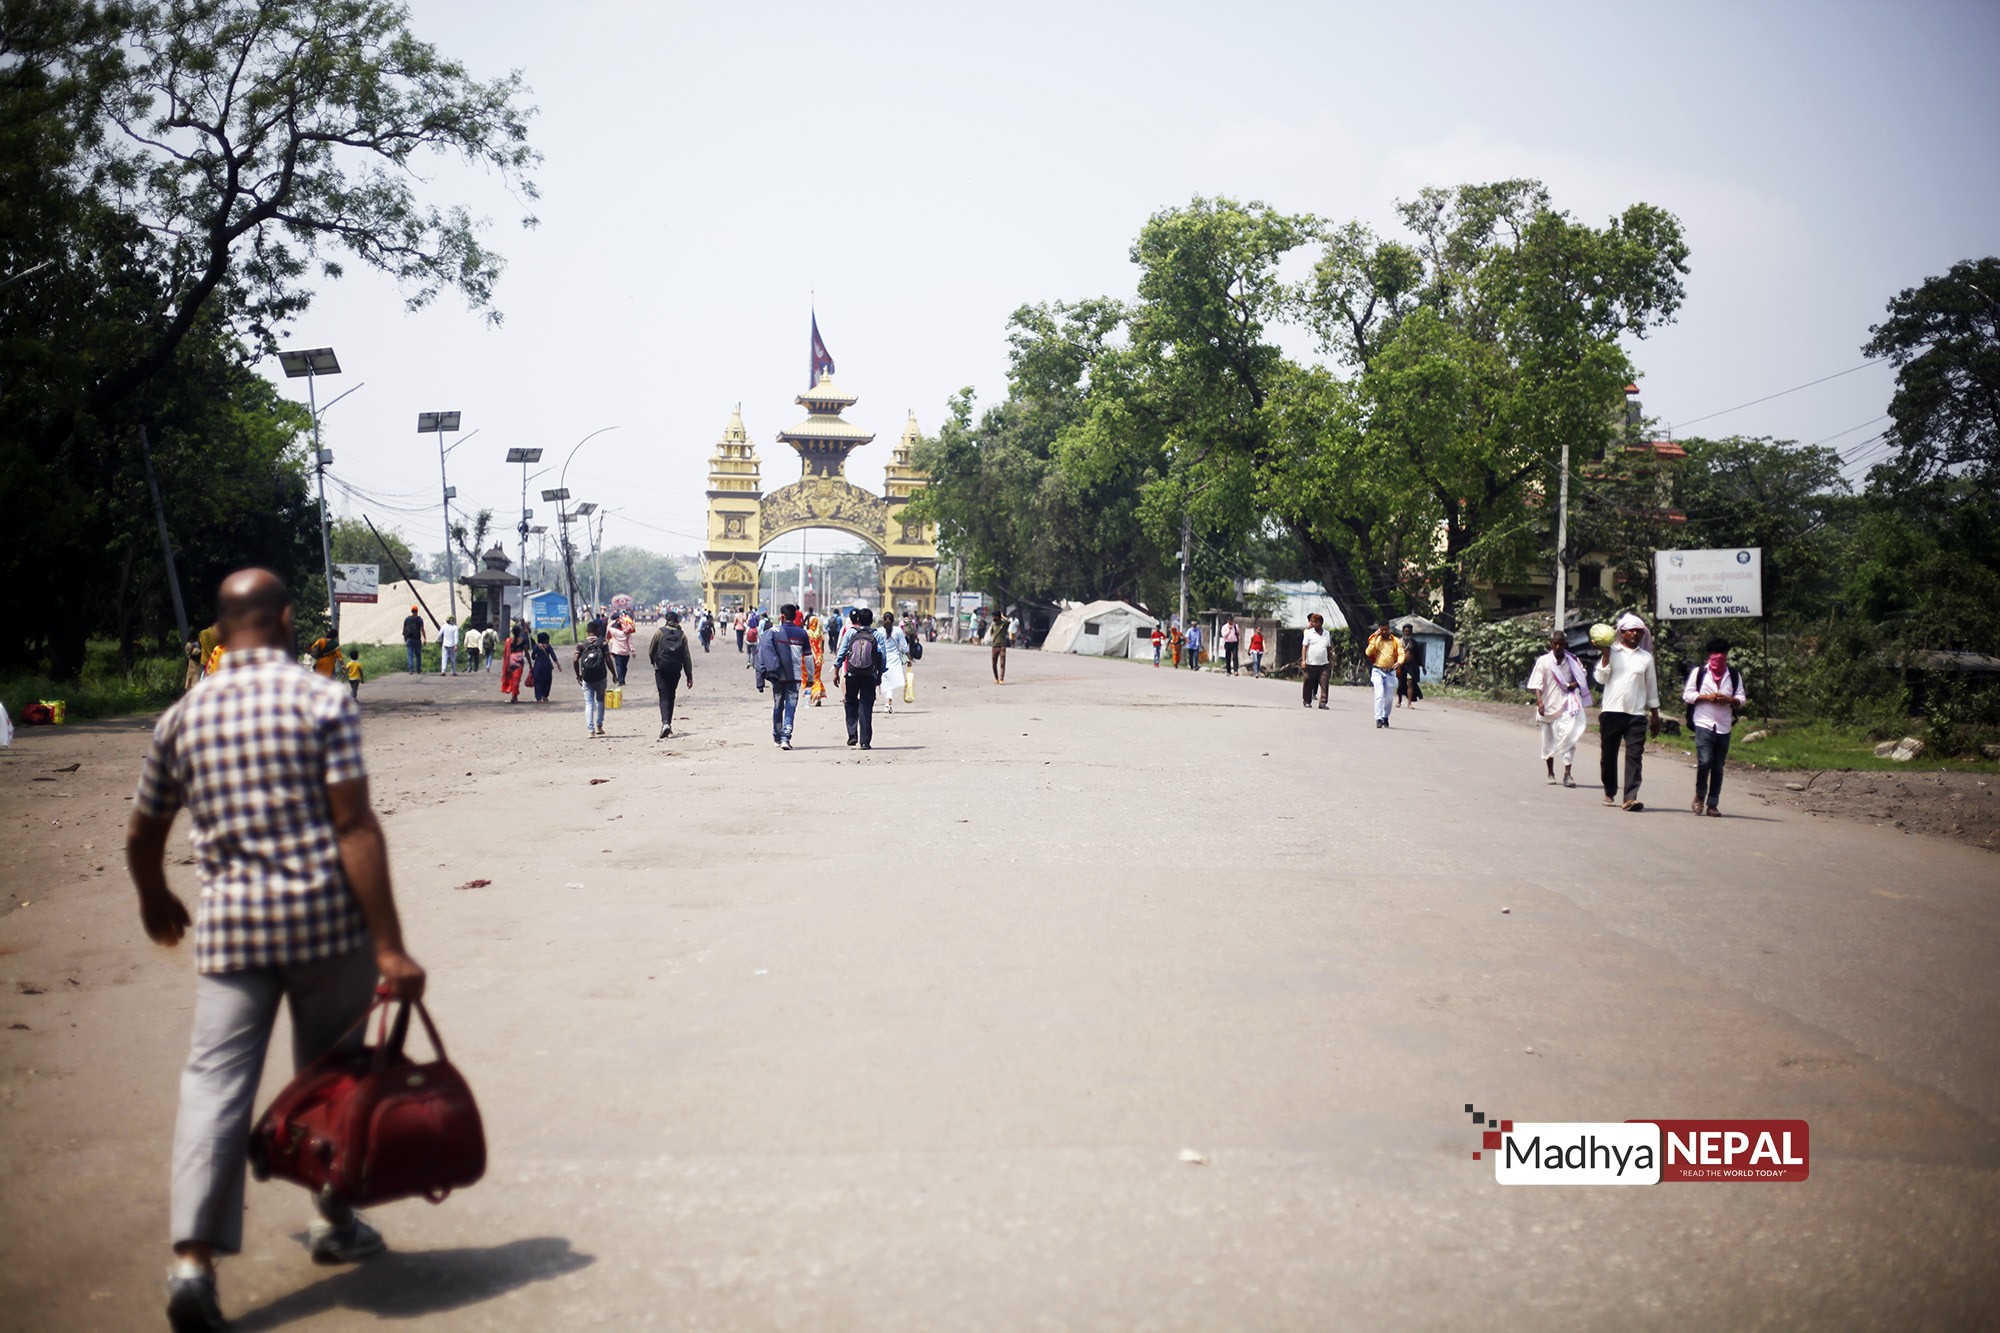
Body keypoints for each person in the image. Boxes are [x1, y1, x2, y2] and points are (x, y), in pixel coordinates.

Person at [125, 569, 425, 1332]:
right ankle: (333, 1218)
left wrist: (155, 897)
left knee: (213, 1087)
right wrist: (389, 945)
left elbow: (143, 831)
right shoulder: (322, 699)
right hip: (326, 925)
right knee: (333, 1077)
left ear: (220, 632)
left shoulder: (182, 717)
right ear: (287, 620)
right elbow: (354, 826)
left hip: (232, 932)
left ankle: (192, 1262)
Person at [1594, 611, 1662, 811]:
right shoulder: (1612, 651)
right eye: (1630, 630)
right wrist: (1605, 655)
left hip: (1636, 715)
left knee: (1634, 755)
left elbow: (1651, 688)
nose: (1634, 634)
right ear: (1621, 633)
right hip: (1611, 712)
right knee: (1608, 755)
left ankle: (1630, 796)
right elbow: (1600, 678)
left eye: (1638, 631)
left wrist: (1655, 716)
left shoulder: (1646, 658)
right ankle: (1609, 790)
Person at [1684, 637, 1748, 816]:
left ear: (1726, 655)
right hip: (1703, 722)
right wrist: (1707, 697)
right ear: (1709, 656)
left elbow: (1741, 698)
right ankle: (1699, 795)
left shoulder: (1733, 675)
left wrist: (1730, 700)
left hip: (1724, 725)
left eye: (1722, 654)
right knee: (1705, 761)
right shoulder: (1699, 673)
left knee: (1718, 766)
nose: (1718, 658)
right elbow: (1688, 695)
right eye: (1715, 655)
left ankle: (1713, 804)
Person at [1526, 630, 1591, 787]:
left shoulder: (1572, 661)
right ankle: (1550, 773)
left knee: (1569, 737)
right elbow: (1537, 684)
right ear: (1551, 644)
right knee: (1548, 740)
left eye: (1560, 644)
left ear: (1565, 645)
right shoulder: (1543, 662)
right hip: (1548, 706)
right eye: (1555, 643)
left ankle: (1568, 774)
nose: (1557, 646)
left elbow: (1581, 678)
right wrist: (1539, 702)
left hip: (1567, 705)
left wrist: (1573, 685)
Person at [758, 604, 813, 749]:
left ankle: (777, 734)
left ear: (782, 616)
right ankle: (785, 737)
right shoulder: (802, 633)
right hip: (795, 676)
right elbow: (808, 658)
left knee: (778, 705)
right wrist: (810, 677)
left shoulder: (774, 632)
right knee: (790, 706)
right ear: (795, 616)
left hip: (777, 675)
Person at [836, 606, 888, 749]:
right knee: (866, 705)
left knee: (851, 702)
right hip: (870, 674)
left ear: (857, 620)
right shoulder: (877, 635)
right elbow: (883, 656)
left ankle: (852, 734)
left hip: (852, 673)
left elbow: (841, 653)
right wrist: (880, 674)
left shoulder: (851, 633)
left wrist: (836, 670)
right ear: (871, 621)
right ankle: (865, 741)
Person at [649, 610, 696, 740]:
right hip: (676, 669)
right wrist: (689, 676)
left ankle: (665, 724)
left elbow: (651, 650)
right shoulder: (682, 635)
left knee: (663, 696)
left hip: (661, 669)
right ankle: (668, 724)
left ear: (666, 619)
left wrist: (655, 663)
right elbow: (686, 657)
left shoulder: (659, 632)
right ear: (677, 621)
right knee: (671, 695)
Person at [575, 618, 611, 737]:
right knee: (600, 701)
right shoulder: (603, 643)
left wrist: (578, 675)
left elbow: (575, 659)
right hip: (601, 676)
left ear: (587, 631)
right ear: (598, 630)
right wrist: (615, 675)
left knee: (589, 703)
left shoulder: (581, 644)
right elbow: (608, 660)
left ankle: (591, 731)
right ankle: (599, 726)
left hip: (587, 677)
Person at [1365, 621, 1405, 728]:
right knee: (1379, 694)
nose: (1384, 631)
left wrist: (1399, 662)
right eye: (1382, 629)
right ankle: (1378, 718)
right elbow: (1368, 653)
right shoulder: (1376, 639)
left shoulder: (1395, 641)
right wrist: (1375, 638)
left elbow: (1401, 653)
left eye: (1386, 629)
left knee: (1389, 698)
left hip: (1390, 673)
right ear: (1379, 629)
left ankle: (1385, 716)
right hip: (1377, 670)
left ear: (1389, 629)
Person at [1301, 613, 1333, 709]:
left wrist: (1330, 660)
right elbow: (1304, 647)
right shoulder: (1309, 633)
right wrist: (1303, 660)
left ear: (1320, 623)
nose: (1313, 624)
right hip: (1311, 663)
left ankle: (1322, 702)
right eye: (1312, 622)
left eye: (1315, 622)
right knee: (1308, 682)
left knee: (1324, 683)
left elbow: (1328, 648)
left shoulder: (1326, 633)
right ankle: (1306, 700)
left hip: (1323, 663)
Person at [1396, 624, 1426, 708]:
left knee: (1410, 683)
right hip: (1401, 665)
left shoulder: (1413, 643)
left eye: (1409, 632)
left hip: (1410, 667)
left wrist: (1422, 666)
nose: (1407, 633)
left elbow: (1418, 656)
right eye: (1405, 631)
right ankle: (1399, 701)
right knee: (1401, 684)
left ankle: (1409, 703)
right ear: (1403, 632)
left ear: (1411, 632)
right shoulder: (1398, 642)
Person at [530, 631, 560, 703]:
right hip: (547, 667)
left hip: (538, 666)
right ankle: (545, 696)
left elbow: (533, 656)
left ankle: (539, 698)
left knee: (538, 682)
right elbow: (553, 656)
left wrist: (536, 657)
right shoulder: (549, 646)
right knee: (547, 681)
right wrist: (558, 665)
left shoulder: (536, 647)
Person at [606, 612, 634, 688]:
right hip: (626, 653)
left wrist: (615, 620)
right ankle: (622, 679)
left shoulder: (615, 632)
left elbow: (608, 626)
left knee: (619, 666)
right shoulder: (627, 633)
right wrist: (633, 651)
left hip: (617, 652)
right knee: (624, 667)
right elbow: (630, 643)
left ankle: (621, 680)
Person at [806, 613, 828, 707]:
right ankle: (817, 696)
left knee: (811, 678)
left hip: (811, 658)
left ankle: (816, 695)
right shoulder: (820, 634)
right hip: (819, 658)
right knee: (817, 677)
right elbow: (822, 648)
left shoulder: (808, 633)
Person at [401, 606, 424, 674]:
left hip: (409, 639)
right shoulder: (419, 619)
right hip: (417, 639)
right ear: (417, 611)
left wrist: (405, 638)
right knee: (418, 655)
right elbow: (422, 629)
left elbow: (404, 630)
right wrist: (425, 638)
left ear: (411, 611)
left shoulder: (407, 619)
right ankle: (418, 669)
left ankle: (411, 670)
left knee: (410, 655)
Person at [988, 612, 1010, 683]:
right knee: (994, 664)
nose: (993, 618)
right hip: (994, 646)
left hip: (1002, 646)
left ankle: (1001, 679)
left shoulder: (1004, 625)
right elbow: (991, 633)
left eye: (994, 617)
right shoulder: (993, 625)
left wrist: (1002, 616)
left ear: (998, 617)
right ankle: (996, 679)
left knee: (1002, 663)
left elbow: (1008, 621)